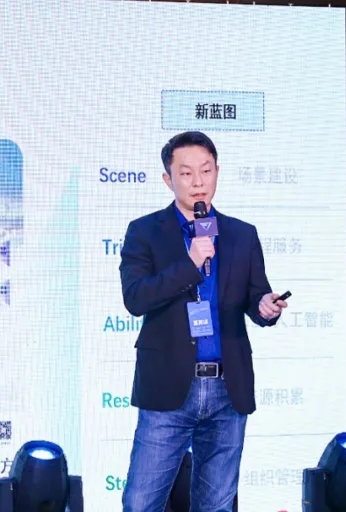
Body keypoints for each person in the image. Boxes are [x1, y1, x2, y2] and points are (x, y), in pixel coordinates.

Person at [119, 131, 288, 512]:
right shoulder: (144, 232)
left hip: (228, 387)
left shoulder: (242, 234)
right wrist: (191, 263)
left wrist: (266, 306)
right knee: (141, 502)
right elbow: (136, 298)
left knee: (217, 505)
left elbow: (255, 295)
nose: (198, 181)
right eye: (186, 173)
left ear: (217, 172)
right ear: (168, 179)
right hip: (168, 385)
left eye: (206, 170)